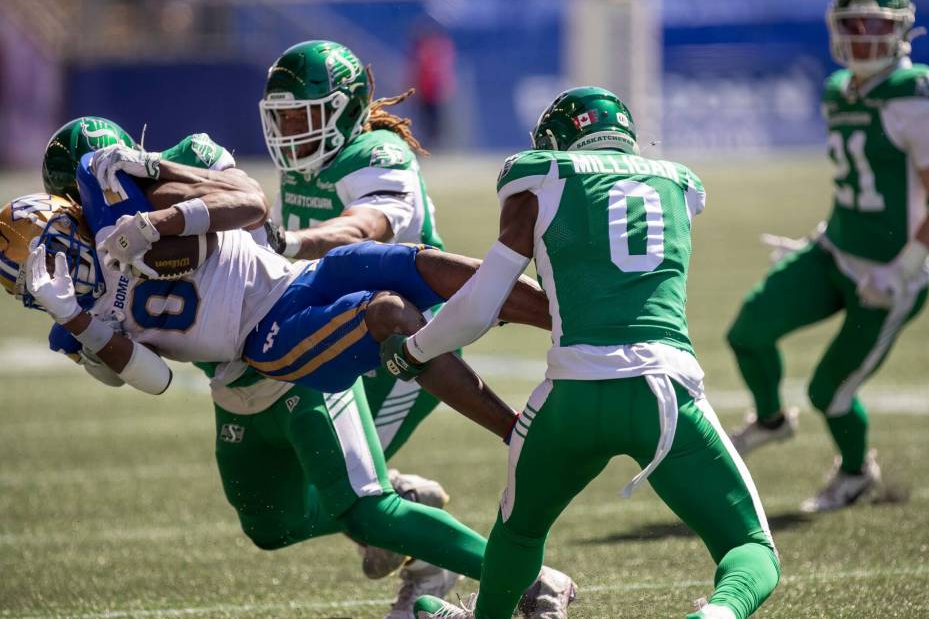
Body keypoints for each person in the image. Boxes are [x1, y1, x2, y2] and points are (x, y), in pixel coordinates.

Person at [1, 142, 573, 619]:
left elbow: (249, 204)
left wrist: (156, 202)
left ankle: (529, 558)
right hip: (240, 375)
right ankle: (431, 514)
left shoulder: (168, 173)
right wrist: (74, 317)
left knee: (407, 282)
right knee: (271, 524)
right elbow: (152, 379)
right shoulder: (75, 314)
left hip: (288, 313)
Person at [379, 87, 780, 619]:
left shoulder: (541, 176)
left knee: (519, 534)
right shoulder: (680, 183)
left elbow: (480, 305)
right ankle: (718, 614)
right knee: (750, 548)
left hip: (570, 397)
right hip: (664, 393)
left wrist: (414, 349)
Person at [725, 0, 929, 513]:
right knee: (748, 330)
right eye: (851, 24)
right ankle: (770, 420)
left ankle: (857, 473)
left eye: (874, 25)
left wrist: (901, 269)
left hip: (888, 275)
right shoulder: (839, 90)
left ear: (901, 30)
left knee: (828, 392)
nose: (861, 36)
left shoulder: (916, 96)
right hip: (834, 251)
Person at [259, 40, 463, 586]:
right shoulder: (304, 166)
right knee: (290, 494)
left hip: (409, 348)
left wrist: (294, 242)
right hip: (342, 337)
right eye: (283, 117)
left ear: (343, 110)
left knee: (331, 498)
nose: (290, 130)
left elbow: (365, 225)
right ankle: (409, 516)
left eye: (304, 115)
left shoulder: (376, 154)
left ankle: (435, 563)